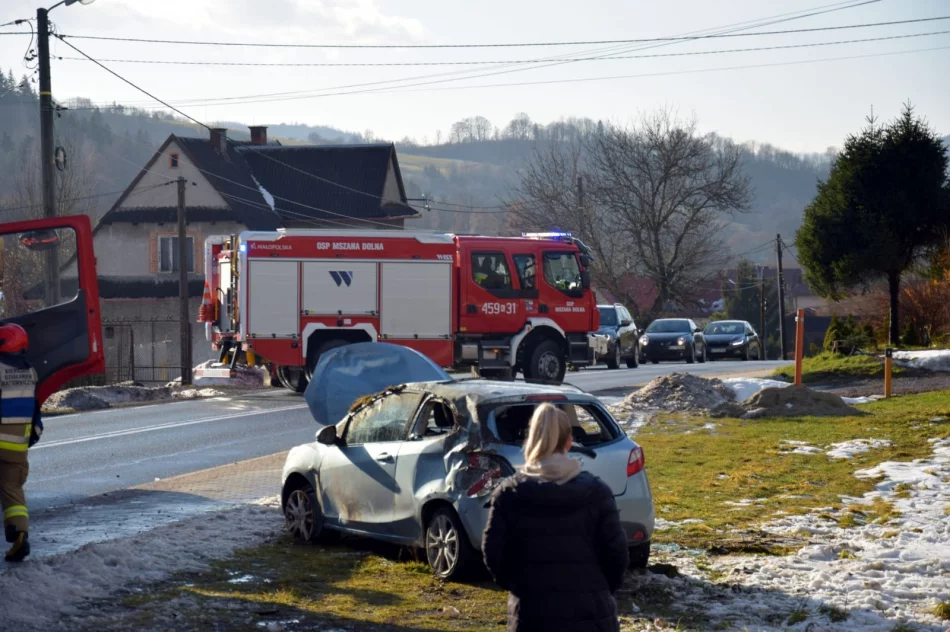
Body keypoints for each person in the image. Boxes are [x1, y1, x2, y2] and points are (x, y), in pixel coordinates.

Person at [482, 402, 629, 632]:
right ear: (569, 442)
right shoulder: (597, 492)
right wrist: (597, 589)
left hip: (533, 615)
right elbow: (617, 557)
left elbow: (494, 556)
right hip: (592, 615)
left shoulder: (510, 494)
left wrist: (522, 587)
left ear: (531, 441)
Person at [0, 323, 41, 562]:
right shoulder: (30, 372)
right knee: (12, 490)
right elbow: (35, 409)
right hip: (17, 444)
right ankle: (20, 536)